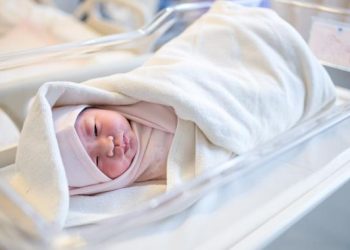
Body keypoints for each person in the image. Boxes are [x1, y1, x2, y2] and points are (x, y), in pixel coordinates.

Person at [52, 101, 177, 194]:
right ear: (106, 183)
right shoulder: (151, 187)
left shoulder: (145, 99)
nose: (110, 145)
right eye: (97, 161)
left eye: (95, 129)